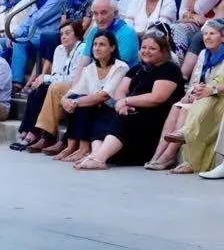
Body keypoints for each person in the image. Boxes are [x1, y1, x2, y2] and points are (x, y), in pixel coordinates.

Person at [75, 30, 184, 170]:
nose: (146, 51)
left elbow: (157, 97)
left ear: (163, 51)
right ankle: (96, 155)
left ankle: (98, 158)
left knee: (125, 119)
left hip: (153, 119)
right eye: (144, 47)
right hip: (132, 113)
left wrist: (127, 102)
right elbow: (121, 91)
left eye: (152, 48)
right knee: (104, 118)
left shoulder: (169, 69)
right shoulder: (138, 68)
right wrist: (122, 104)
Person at [150, 19, 224, 172]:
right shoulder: (203, 54)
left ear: (222, 37)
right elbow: (195, 80)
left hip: (219, 97)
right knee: (177, 106)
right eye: (205, 34)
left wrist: (211, 90)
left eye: (212, 34)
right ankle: (158, 155)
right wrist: (193, 91)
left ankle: (171, 155)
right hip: (204, 95)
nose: (207, 37)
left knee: (186, 108)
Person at [57, 31, 131, 164]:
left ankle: (84, 149)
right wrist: (65, 100)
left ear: (112, 48)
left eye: (102, 44)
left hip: (111, 111)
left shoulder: (120, 67)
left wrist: (74, 102)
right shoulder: (89, 69)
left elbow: (104, 96)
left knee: (80, 103)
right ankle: (71, 146)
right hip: (95, 108)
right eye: (95, 44)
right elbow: (73, 92)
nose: (97, 48)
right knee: (75, 98)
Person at [12, 21, 86, 153]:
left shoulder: (82, 49)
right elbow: (56, 74)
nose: (63, 36)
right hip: (59, 83)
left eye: (68, 33)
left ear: (77, 35)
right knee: (37, 92)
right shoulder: (59, 49)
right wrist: (47, 79)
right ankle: (28, 130)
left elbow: (73, 78)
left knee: (50, 87)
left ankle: (42, 135)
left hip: (76, 86)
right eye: (62, 34)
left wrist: (45, 78)